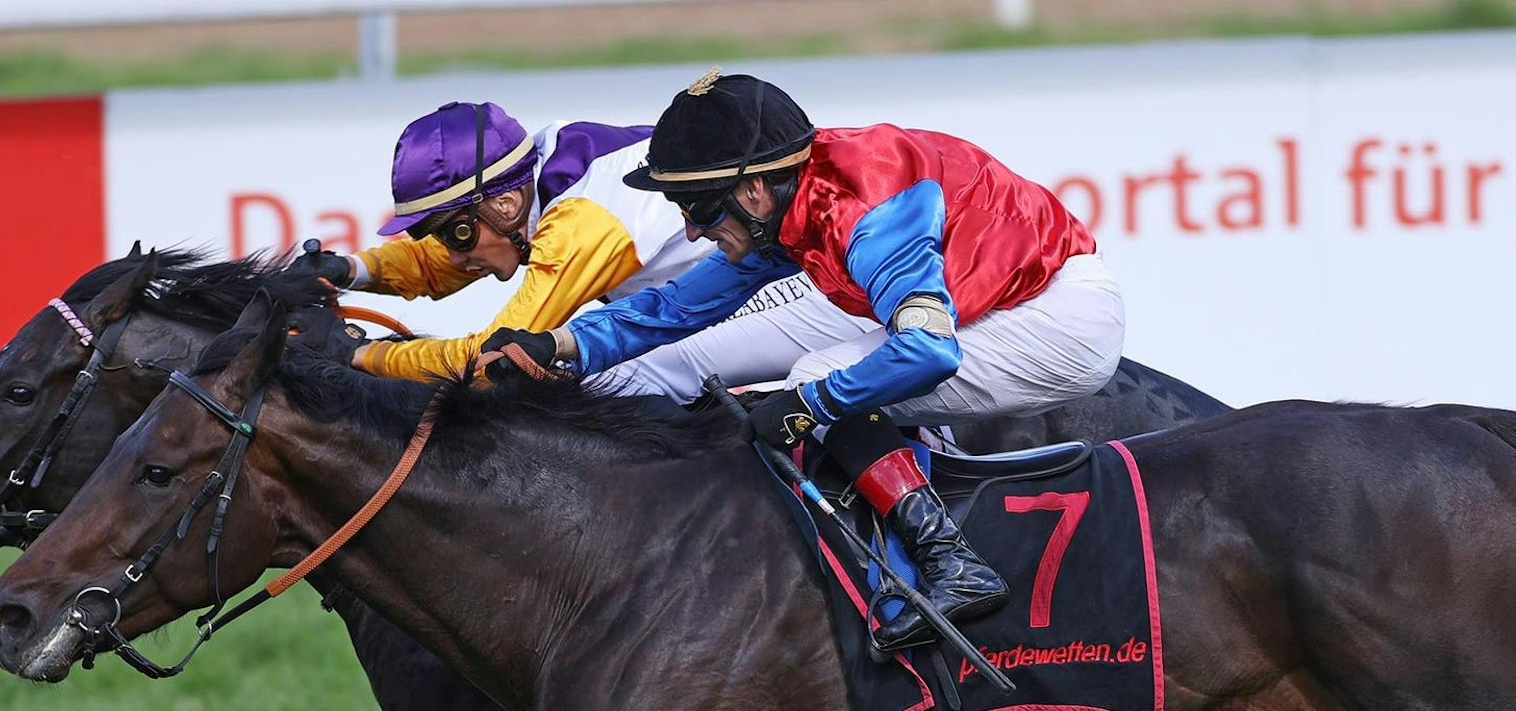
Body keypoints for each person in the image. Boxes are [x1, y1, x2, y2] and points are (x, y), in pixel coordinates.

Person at [480, 70, 1125, 650]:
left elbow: (927, 351)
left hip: (1057, 319)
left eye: (700, 209)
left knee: (816, 378)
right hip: (991, 300)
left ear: (754, 190)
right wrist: (560, 346)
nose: (695, 231)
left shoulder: (865, 211)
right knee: (791, 369)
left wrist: (809, 405)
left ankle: (953, 563)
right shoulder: (792, 197)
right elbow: (679, 308)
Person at [285, 99, 881, 396]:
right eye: (436, 233)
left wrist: (362, 358)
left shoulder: (580, 222)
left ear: (505, 204)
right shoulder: (535, 172)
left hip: (799, 290)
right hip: (728, 289)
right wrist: (351, 269)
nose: (453, 252)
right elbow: (455, 259)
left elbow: (495, 361)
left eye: (453, 230)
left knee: (607, 381)